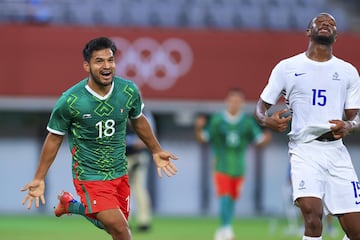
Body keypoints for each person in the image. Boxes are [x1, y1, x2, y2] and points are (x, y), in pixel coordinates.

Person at [20, 37, 178, 240]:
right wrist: (39, 177)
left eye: (110, 60)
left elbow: (138, 120)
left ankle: (71, 205)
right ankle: (75, 204)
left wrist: (156, 150)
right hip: (90, 175)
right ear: (87, 65)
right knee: (122, 231)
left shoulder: (128, 91)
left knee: (114, 228)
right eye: (99, 61)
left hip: (119, 172)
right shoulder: (71, 100)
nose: (107, 66)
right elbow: (54, 138)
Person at [255, 13, 360, 240]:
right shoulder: (287, 67)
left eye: (331, 23)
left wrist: (349, 126)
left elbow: (356, 116)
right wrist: (266, 120)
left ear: (336, 35)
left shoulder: (348, 71)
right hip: (304, 150)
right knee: (313, 218)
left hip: (336, 152)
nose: (326, 24)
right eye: (320, 22)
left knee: (356, 231)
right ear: (308, 31)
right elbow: (261, 106)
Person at [194, 88, 271, 240]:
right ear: (227, 101)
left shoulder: (247, 122)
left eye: (238, 101)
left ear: (242, 103)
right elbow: (204, 138)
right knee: (225, 196)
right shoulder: (217, 120)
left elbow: (259, 140)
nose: (234, 104)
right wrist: (198, 128)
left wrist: (268, 136)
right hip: (221, 165)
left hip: (239, 167)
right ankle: (225, 229)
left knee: (232, 199)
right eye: (232, 100)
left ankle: (224, 228)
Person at [126, 109, 155, 232]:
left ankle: (144, 221)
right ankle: (124, 220)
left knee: (139, 188)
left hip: (137, 156)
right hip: (122, 157)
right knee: (122, 189)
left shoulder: (145, 113)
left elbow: (147, 138)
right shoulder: (118, 110)